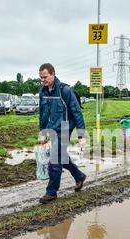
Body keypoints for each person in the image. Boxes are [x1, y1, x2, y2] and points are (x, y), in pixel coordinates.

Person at [38, 63, 87, 204]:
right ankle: (79, 176)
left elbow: (77, 113)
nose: (43, 80)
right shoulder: (43, 92)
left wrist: (81, 135)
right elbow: (43, 114)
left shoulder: (64, 91)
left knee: (55, 159)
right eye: (41, 78)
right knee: (62, 157)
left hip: (65, 128)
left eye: (45, 77)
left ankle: (51, 192)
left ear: (53, 74)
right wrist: (43, 132)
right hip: (52, 129)